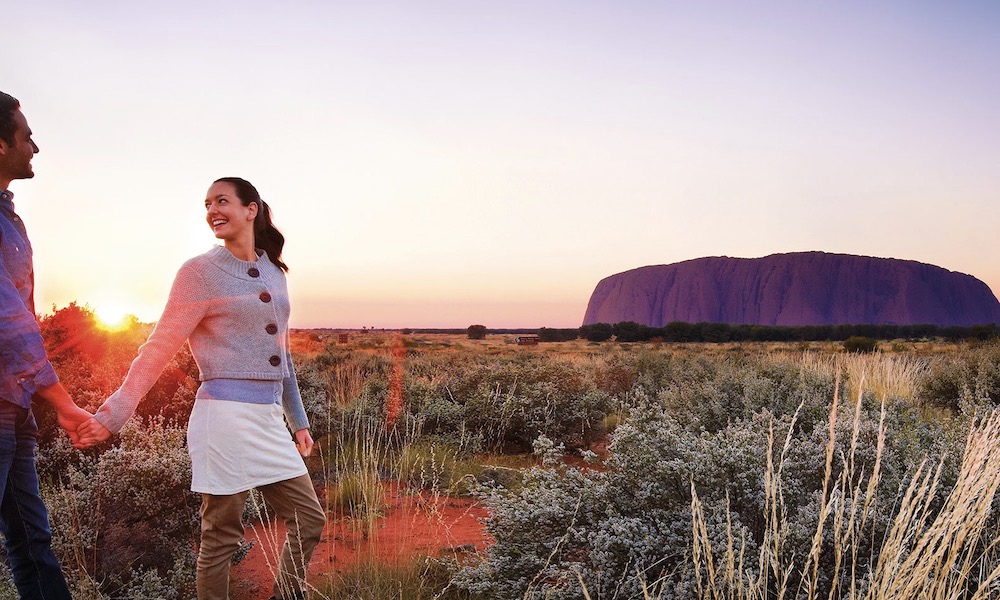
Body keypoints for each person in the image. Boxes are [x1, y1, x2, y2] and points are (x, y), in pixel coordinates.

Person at [77, 177, 326, 600]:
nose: (212, 210)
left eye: (222, 201)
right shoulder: (199, 272)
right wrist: (114, 413)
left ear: (251, 209)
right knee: (221, 536)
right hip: (223, 419)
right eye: (207, 203)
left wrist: (297, 419)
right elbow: (159, 347)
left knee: (309, 518)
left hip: (267, 420)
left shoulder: (274, 272)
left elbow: (280, 357)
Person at [0, 91, 92, 599]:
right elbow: (9, 322)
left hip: (12, 406)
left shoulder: (8, 216)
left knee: (33, 542)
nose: (35, 146)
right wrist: (64, 403)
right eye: (26, 135)